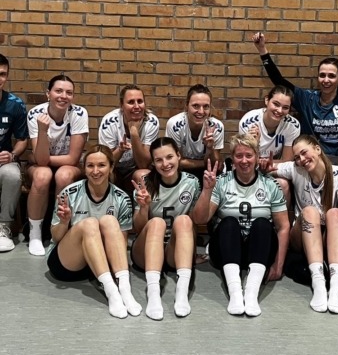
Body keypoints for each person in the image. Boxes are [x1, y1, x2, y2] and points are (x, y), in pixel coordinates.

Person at [262, 135, 338, 314]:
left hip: (333, 236)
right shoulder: (296, 169)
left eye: (304, 153)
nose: (301, 160)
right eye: (297, 157)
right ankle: (318, 282)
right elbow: (271, 168)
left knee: (335, 213)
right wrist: (264, 167)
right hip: (303, 234)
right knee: (309, 211)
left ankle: (336, 285)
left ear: (318, 149)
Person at [192, 133, 290, 317]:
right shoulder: (221, 182)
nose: (244, 161)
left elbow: (283, 227)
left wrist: (278, 264)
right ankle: (235, 293)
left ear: (257, 157)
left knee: (262, 224)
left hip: (259, 251)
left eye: (249, 155)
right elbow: (199, 219)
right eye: (239, 156)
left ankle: (251, 294)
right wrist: (207, 190)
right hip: (226, 250)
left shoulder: (270, 185)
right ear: (233, 159)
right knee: (229, 223)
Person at [252, 18, 338, 168]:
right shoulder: (306, 99)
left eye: (331, 76)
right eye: (322, 75)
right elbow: (279, 80)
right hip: (311, 163)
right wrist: (262, 51)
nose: (326, 80)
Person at [47, 144, 141, 319]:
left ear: (111, 167)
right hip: (68, 263)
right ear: (84, 168)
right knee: (90, 224)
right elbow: (56, 238)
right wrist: (64, 222)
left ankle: (125, 290)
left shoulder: (121, 198)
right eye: (90, 165)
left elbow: (120, 243)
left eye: (101, 165)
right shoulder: (69, 193)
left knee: (109, 220)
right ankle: (111, 292)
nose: (95, 171)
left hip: (101, 264)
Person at [131, 137, 200, 319]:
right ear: (153, 163)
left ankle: (181, 293)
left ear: (178, 156)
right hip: (146, 250)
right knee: (157, 222)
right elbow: (138, 229)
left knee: (184, 220)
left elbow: (195, 222)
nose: (165, 164)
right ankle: (153, 294)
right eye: (159, 160)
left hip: (173, 250)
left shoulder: (192, 182)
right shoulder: (145, 183)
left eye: (169, 157)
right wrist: (144, 207)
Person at [26, 75, 88, 256]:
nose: (63, 96)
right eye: (58, 91)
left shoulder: (79, 113)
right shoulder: (36, 114)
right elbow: (41, 163)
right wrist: (42, 131)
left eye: (69, 92)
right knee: (42, 175)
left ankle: (59, 229)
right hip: (44, 165)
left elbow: (73, 158)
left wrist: (41, 158)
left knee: (63, 175)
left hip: (67, 165)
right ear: (48, 93)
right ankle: (35, 234)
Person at [239, 84, 300, 204]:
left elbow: (287, 160)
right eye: (276, 104)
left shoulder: (292, 125)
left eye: (285, 107)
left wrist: (265, 163)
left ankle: (282, 216)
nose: (279, 111)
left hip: (273, 167)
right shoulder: (248, 122)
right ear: (267, 100)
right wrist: (254, 143)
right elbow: (244, 159)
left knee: (283, 184)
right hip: (250, 166)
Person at [98, 84, 160, 194]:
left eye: (140, 101)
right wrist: (120, 150)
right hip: (114, 169)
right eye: (131, 102)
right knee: (103, 173)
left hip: (135, 169)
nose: (137, 106)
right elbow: (104, 162)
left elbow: (143, 164)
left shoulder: (151, 121)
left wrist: (134, 133)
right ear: (121, 105)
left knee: (144, 175)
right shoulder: (109, 122)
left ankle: (143, 205)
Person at [165, 84, 224, 180]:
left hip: (207, 172)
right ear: (187, 106)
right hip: (181, 171)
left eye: (206, 107)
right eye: (196, 106)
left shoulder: (216, 127)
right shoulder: (174, 124)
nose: (201, 111)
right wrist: (204, 163)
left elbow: (214, 165)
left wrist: (210, 149)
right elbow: (175, 162)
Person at [0, 54, 29, 252]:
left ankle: (3, 227)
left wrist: (12, 155)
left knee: (12, 174)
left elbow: (22, 140)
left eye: (2, 74)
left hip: (3, 161)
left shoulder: (14, 104)